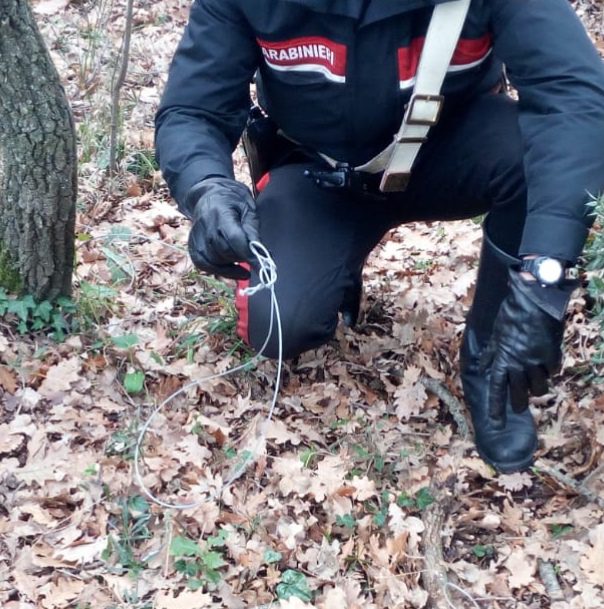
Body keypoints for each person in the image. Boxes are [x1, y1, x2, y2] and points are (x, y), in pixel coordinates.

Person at [155, 0, 604, 474]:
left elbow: (574, 98)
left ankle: (490, 361)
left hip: (449, 153)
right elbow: (192, 108)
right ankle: (335, 271)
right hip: (317, 172)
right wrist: (205, 186)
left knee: (536, 160)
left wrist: (545, 273)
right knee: (279, 322)